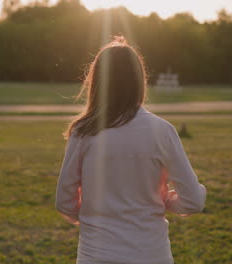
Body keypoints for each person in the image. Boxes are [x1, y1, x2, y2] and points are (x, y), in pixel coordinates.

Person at [55, 36, 207, 264]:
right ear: (139, 81)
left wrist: (94, 215)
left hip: (96, 255)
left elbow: (64, 201)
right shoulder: (162, 131)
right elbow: (194, 201)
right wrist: (164, 200)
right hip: (151, 255)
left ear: (96, 82)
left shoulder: (83, 132)